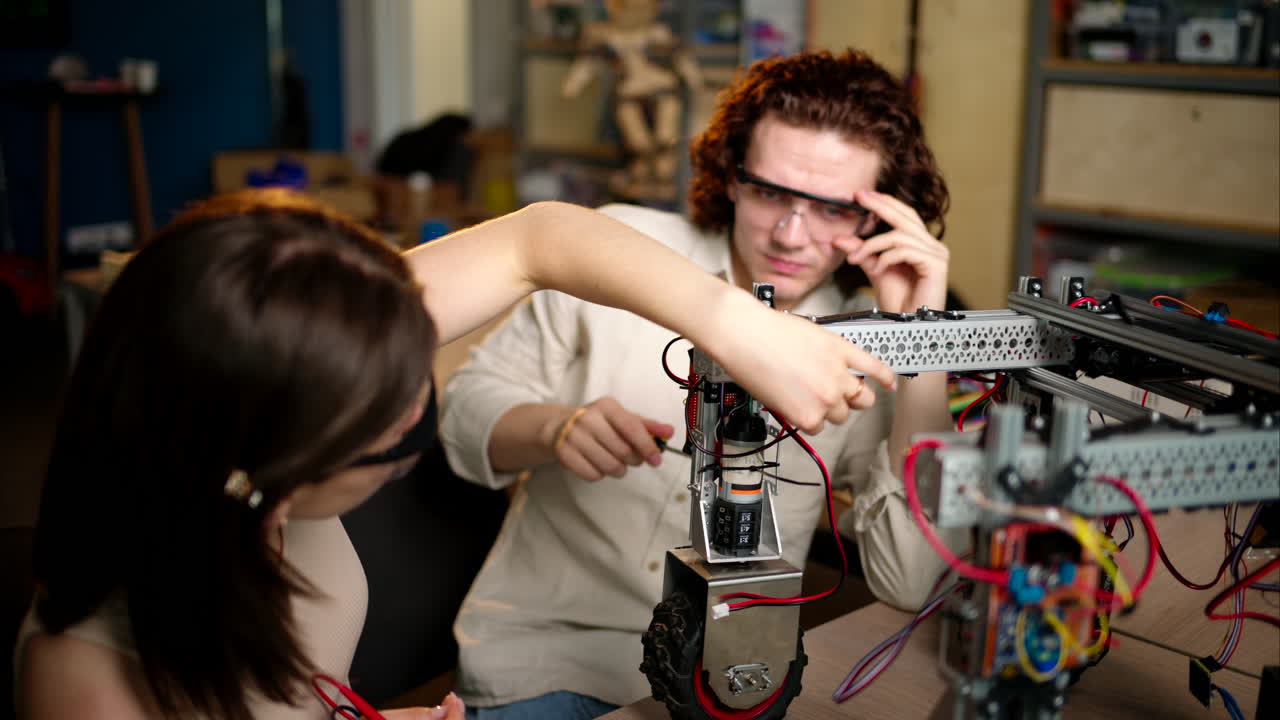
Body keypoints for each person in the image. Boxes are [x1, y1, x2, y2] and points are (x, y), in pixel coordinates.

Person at [13, 188, 892, 720]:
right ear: (270, 474)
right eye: (386, 444)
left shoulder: (282, 350)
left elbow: (537, 239)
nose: (411, 420)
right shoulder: (91, 683)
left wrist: (735, 326)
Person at [439, 48, 964, 718]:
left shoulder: (860, 344)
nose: (791, 234)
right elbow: (461, 419)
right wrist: (555, 429)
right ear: (732, 178)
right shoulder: (610, 249)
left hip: (731, 681)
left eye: (832, 209)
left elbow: (911, 580)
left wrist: (923, 335)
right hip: (549, 664)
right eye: (771, 192)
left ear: (879, 217)